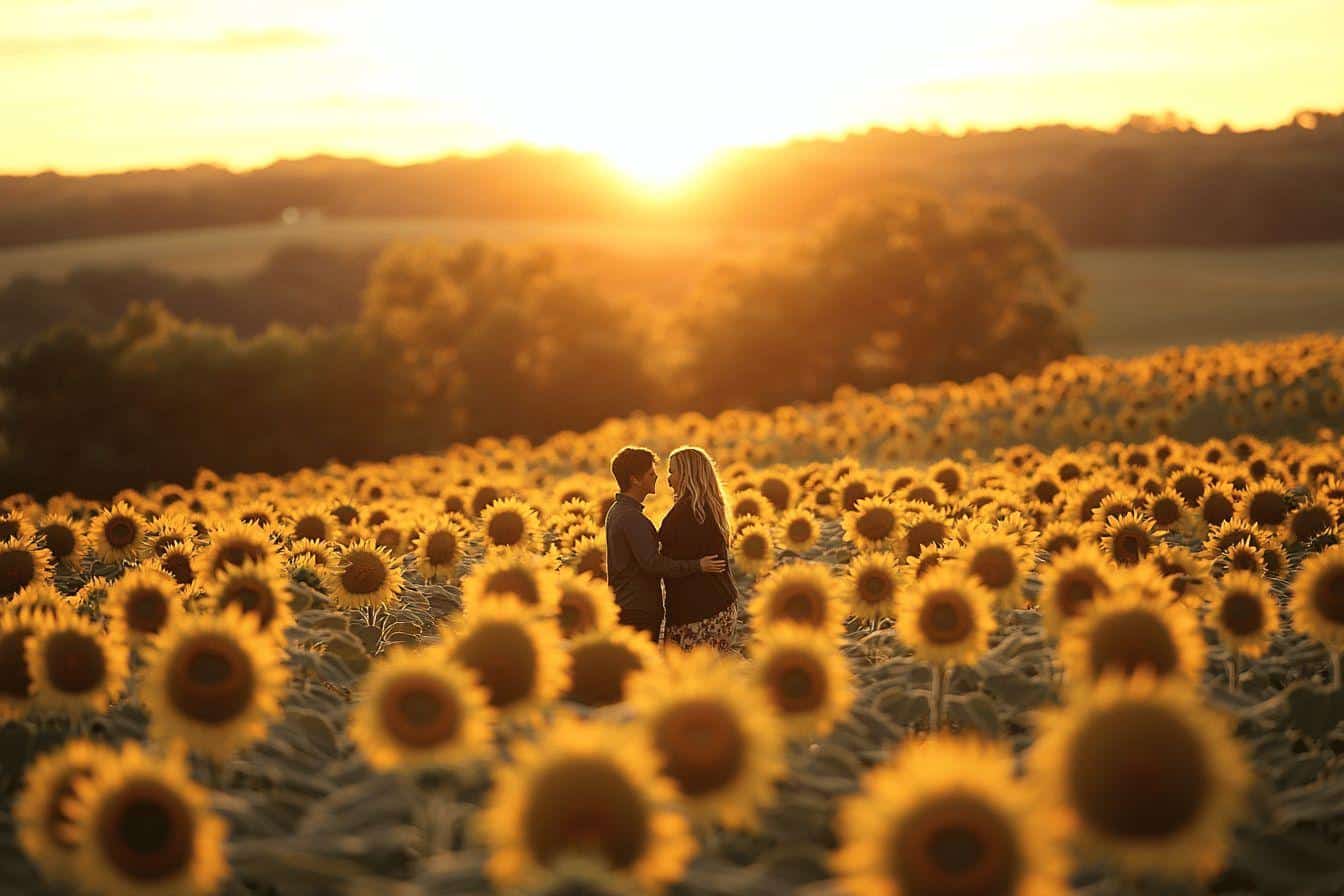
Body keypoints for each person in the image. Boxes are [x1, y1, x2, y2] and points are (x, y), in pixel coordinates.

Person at [604, 446, 725, 642]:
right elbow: (653, 564)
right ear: (635, 479)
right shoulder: (632, 518)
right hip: (638, 610)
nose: (657, 477)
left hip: (630, 606)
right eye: (651, 473)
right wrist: (697, 565)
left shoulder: (618, 512)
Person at [659, 446, 741, 652]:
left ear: (687, 473)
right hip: (721, 607)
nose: (668, 479)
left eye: (672, 472)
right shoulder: (711, 507)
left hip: (698, 612)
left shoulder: (686, 514)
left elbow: (668, 563)